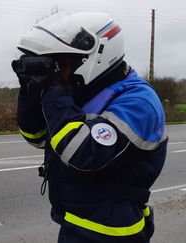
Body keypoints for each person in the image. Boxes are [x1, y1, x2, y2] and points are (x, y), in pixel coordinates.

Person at [12, 12, 168, 243]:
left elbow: (84, 154)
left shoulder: (138, 101)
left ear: (96, 56)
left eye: (62, 63)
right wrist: (30, 93)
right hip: (77, 223)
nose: (58, 72)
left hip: (112, 232)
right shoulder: (84, 92)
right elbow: (38, 137)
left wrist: (55, 94)